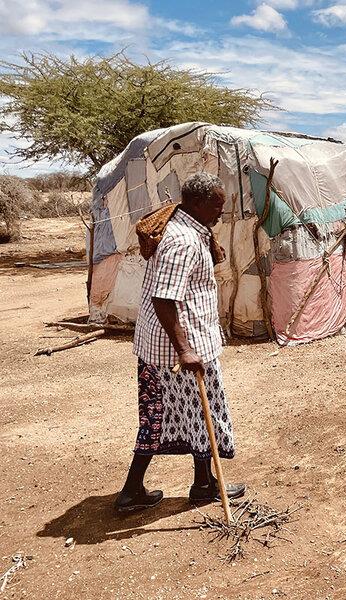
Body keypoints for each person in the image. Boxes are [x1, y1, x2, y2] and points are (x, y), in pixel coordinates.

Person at [115, 172, 245, 512]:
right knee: (164, 418)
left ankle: (203, 483)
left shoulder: (187, 230)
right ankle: (131, 492)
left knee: (198, 415)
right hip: (175, 350)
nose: (221, 211)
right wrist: (185, 349)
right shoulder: (183, 241)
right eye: (217, 204)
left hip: (182, 342)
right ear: (199, 204)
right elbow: (164, 298)